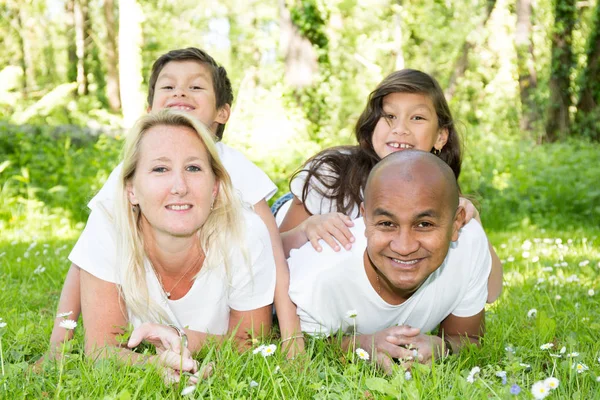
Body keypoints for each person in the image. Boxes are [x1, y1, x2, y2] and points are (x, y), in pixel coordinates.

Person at [48, 48, 303, 357]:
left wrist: (291, 335)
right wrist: (58, 344)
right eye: (168, 87)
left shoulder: (236, 174)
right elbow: (87, 257)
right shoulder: (118, 199)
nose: (179, 186)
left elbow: (270, 248)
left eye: (195, 87)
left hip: (232, 291)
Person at [79, 110, 275, 380]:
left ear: (215, 186)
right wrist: (152, 364)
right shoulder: (109, 227)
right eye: (160, 169)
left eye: (193, 168)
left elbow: (250, 343)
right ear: (131, 190)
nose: (179, 186)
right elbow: (101, 348)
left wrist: (181, 339)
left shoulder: (246, 234)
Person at [278, 69, 502, 303]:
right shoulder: (330, 174)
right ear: (373, 124)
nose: (400, 129)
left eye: (417, 118)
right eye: (389, 116)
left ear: (440, 136)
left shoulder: (438, 188)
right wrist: (305, 230)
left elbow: (491, 292)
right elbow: (271, 255)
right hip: (293, 217)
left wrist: (475, 224)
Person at [288, 150, 490, 373]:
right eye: (386, 223)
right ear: (364, 219)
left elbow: (469, 339)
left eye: (424, 224)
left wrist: (441, 346)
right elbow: (291, 344)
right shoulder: (318, 274)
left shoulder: (469, 244)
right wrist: (358, 345)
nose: (404, 247)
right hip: (294, 227)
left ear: (456, 223)